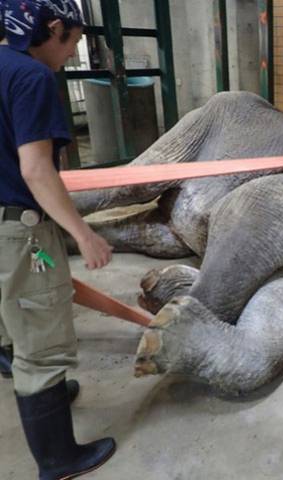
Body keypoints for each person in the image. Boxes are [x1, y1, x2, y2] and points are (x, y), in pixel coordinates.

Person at [0, 1, 116, 478]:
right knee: (41, 342)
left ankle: (43, 395)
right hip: (19, 225)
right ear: (52, 29)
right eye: (73, 42)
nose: (71, 54)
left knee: (12, 320)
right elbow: (37, 170)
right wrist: (82, 233)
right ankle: (58, 459)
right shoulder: (31, 77)